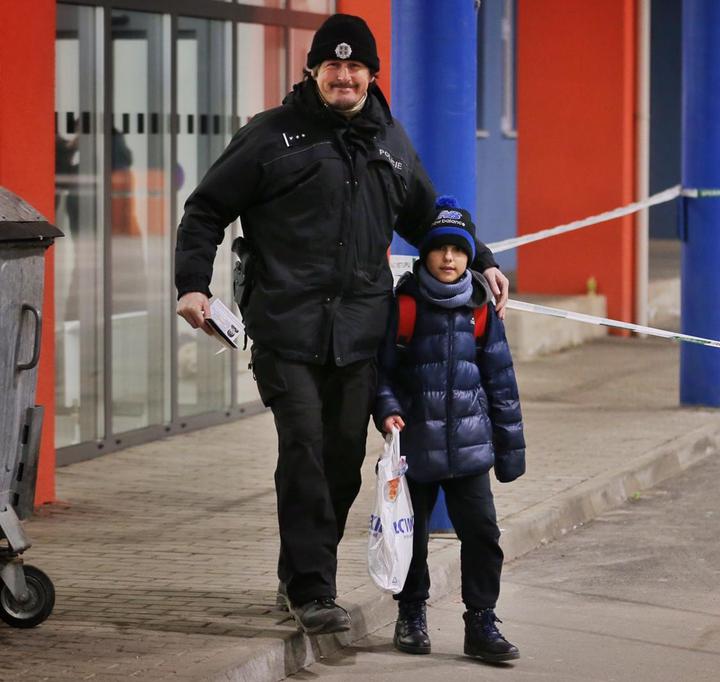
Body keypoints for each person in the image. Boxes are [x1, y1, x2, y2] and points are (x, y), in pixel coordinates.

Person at [173, 14, 510, 636]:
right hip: (286, 327)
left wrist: (481, 259)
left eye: (356, 68)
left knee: (341, 458)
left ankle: (298, 571)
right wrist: (192, 284)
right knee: (302, 445)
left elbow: (429, 216)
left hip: (360, 332)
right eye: (333, 66)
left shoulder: (389, 143)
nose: (345, 76)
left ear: (372, 76)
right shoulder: (273, 137)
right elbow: (206, 208)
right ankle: (313, 590)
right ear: (313, 72)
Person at [375, 197, 525, 662]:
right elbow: (381, 373)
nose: (447, 259)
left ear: (468, 256)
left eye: (457, 250)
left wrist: (510, 452)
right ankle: (411, 613)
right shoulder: (403, 307)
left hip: (469, 449)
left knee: (482, 534)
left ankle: (481, 622)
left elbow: (501, 382)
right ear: (425, 254)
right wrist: (387, 410)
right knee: (412, 537)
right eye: (439, 249)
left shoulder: (480, 311)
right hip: (415, 451)